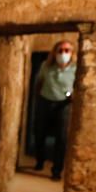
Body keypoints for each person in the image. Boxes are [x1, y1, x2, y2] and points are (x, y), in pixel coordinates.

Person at [33, 40, 77, 180]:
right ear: (54, 52)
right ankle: (40, 160)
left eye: (67, 50)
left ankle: (56, 170)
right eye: (60, 50)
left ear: (72, 53)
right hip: (45, 101)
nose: (63, 53)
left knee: (62, 138)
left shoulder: (76, 68)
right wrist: (39, 98)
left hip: (64, 104)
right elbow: (39, 83)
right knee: (40, 133)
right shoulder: (46, 66)